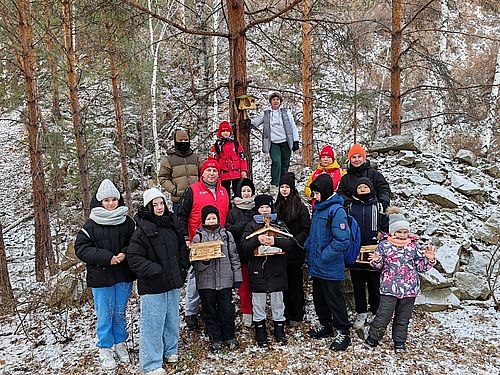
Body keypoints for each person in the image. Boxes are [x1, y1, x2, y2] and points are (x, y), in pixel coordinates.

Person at [75, 179, 136, 370]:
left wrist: (125, 252)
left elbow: (136, 242)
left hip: (123, 274)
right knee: (104, 313)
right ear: (100, 201)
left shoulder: (127, 222)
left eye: (114, 199)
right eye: (106, 200)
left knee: (119, 311)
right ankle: (105, 348)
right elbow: (81, 248)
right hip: (101, 276)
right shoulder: (91, 224)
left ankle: (120, 343)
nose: (110, 203)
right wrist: (106, 257)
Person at [127, 188, 190, 374]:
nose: (159, 207)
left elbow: (181, 250)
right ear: (148, 207)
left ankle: (170, 350)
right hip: (153, 285)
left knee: (172, 319)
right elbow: (134, 258)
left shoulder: (172, 224)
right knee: (153, 323)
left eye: (161, 203)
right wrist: (155, 271)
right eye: (155, 204)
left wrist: (183, 268)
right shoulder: (142, 230)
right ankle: (151, 363)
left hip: (173, 282)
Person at [365, 207, 436, 353]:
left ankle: (399, 342)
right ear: (392, 231)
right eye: (399, 232)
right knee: (383, 315)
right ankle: (373, 338)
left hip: (409, 289)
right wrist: (376, 260)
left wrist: (429, 260)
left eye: (405, 232)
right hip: (389, 288)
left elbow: (420, 267)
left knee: (403, 318)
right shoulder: (384, 245)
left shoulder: (413, 247)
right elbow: (378, 266)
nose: (402, 235)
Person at [177, 158, 230, 330]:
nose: (212, 174)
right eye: (209, 170)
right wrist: (186, 237)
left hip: (219, 241)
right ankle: (191, 312)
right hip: (197, 242)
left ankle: (215, 311)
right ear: (203, 173)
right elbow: (181, 216)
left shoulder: (223, 192)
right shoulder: (192, 190)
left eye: (215, 171)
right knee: (196, 278)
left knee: (218, 278)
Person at [305, 174, 352, 351]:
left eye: (316, 193)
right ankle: (326, 326)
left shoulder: (336, 210)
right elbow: (315, 233)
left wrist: (324, 255)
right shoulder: (318, 208)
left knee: (334, 299)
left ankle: (343, 332)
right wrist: (307, 246)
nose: (314, 196)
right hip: (317, 263)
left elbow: (342, 240)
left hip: (329, 264)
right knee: (320, 298)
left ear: (324, 191)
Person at [241, 194, 293, 347]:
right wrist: (257, 240)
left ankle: (279, 328)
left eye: (267, 207)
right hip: (258, 270)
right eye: (262, 207)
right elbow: (244, 246)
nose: (265, 210)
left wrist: (275, 241)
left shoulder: (279, 223)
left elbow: (290, 242)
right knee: (258, 302)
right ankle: (260, 330)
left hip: (277, 269)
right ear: (257, 209)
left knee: (278, 301)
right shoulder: (251, 225)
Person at [191, 205, 242, 351]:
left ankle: (230, 336)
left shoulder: (226, 235)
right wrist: (204, 261)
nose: (212, 221)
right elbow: (195, 263)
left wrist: (236, 277)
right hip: (206, 283)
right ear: (203, 220)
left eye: (214, 218)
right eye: (209, 218)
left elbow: (234, 257)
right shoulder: (198, 237)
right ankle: (215, 338)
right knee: (209, 311)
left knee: (227, 310)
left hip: (225, 281)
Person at [347, 178, 388, 329]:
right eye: (360, 187)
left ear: (371, 188)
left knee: (374, 284)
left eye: (365, 187)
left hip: (374, 251)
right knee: (357, 284)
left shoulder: (378, 206)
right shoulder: (350, 206)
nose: (363, 189)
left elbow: (386, 225)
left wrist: (382, 235)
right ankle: (361, 312)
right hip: (355, 250)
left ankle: (375, 311)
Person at [246, 91, 300, 195]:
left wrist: (295, 140)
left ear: (280, 102)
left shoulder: (286, 113)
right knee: (276, 162)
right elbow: (257, 121)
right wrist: (249, 122)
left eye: (277, 100)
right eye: (273, 99)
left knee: (285, 164)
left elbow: (293, 127)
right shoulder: (266, 113)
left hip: (286, 141)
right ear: (270, 101)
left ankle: (283, 184)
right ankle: (274, 184)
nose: (275, 101)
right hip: (273, 142)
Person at [275, 172, 310, 327]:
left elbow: (306, 228)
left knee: (295, 284)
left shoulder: (299, 206)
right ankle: (285, 314)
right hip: (279, 250)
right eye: (282, 187)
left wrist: (295, 241)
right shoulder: (276, 205)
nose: (284, 190)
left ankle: (296, 314)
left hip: (295, 250)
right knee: (283, 284)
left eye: (287, 187)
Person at [225, 178, 256, 328]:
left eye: (248, 191)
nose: (246, 193)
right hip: (240, 252)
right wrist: (243, 226)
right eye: (243, 190)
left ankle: (257, 310)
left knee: (257, 284)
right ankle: (246, 311)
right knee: (243, 285)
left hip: (256, 253)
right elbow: (228, 229)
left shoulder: (257, 208)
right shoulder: (233, 211)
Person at [159, 129, 200, 214]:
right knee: (180, 225)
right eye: (180, 140)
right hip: (178, 200)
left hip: (196, 198)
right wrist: (174, 190)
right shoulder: (169, 159)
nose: (183, 142)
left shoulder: (196, 158)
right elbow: (163, 178)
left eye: (186, 140)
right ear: (175, 141)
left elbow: (203, 174)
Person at [337, 143, 390, 210]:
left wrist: (383, 201)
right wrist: (347, 203)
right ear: (350, 160)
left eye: (359, 156)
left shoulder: (374, 174)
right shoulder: (345, 178)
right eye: (353, 157)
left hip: (372, 209)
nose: (357, 160)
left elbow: (383, 188)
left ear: (364, 158)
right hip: (353, 211)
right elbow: (341, 193)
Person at [210, 120, 248, 198]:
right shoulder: (217, 145)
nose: (225, 133)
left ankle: (239, 207)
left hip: (236, 173)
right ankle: (227, 208)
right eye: (223, 131)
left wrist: (243, 170)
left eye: (227, 131)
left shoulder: (235, 143)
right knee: (225, 193)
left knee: (238, 192)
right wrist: (215, 173)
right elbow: (213, 160)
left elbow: (242, 157)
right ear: (220, 133)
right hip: (223, 174)